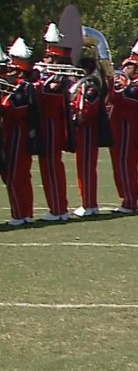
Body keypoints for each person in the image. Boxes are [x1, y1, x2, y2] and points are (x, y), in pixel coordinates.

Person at [108, 38, 138, 214]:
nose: (124, 69)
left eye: (128, 66)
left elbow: (126, 99)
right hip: (119, 125)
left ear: (137, 68)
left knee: (125, 164)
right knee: (118, 165)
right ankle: (126, 198)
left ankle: (130, 200)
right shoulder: (127, 82)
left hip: (128, 127)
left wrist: (111, 85)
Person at [36, 23, 73, 221]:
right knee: (47, 166)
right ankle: (56, 207)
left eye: (49, 57)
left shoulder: (58, 76)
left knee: (51, 166)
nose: (45, 59)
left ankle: (59, 209)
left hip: (52, 124)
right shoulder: (50, 75)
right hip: (47, 123)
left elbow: (47, 97)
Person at [2, 38, 39, 226]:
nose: (8, 73)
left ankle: (19, 214)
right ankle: (25, 212)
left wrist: (3, 101)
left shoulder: (23, 88)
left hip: (18, 133)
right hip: (17, 132)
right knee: (21, 176)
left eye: (11, 70)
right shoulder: (22, 87)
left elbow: (17, 110)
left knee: (16, 175)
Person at [70, 48, 108, 218]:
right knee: (84, 169)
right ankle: (89, 202)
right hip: (83, 132)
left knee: (85, 169)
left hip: (87, 132)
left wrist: (77, 117)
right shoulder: (84, 86)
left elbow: (89, 111)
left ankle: (88, 203)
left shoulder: (91, 86)